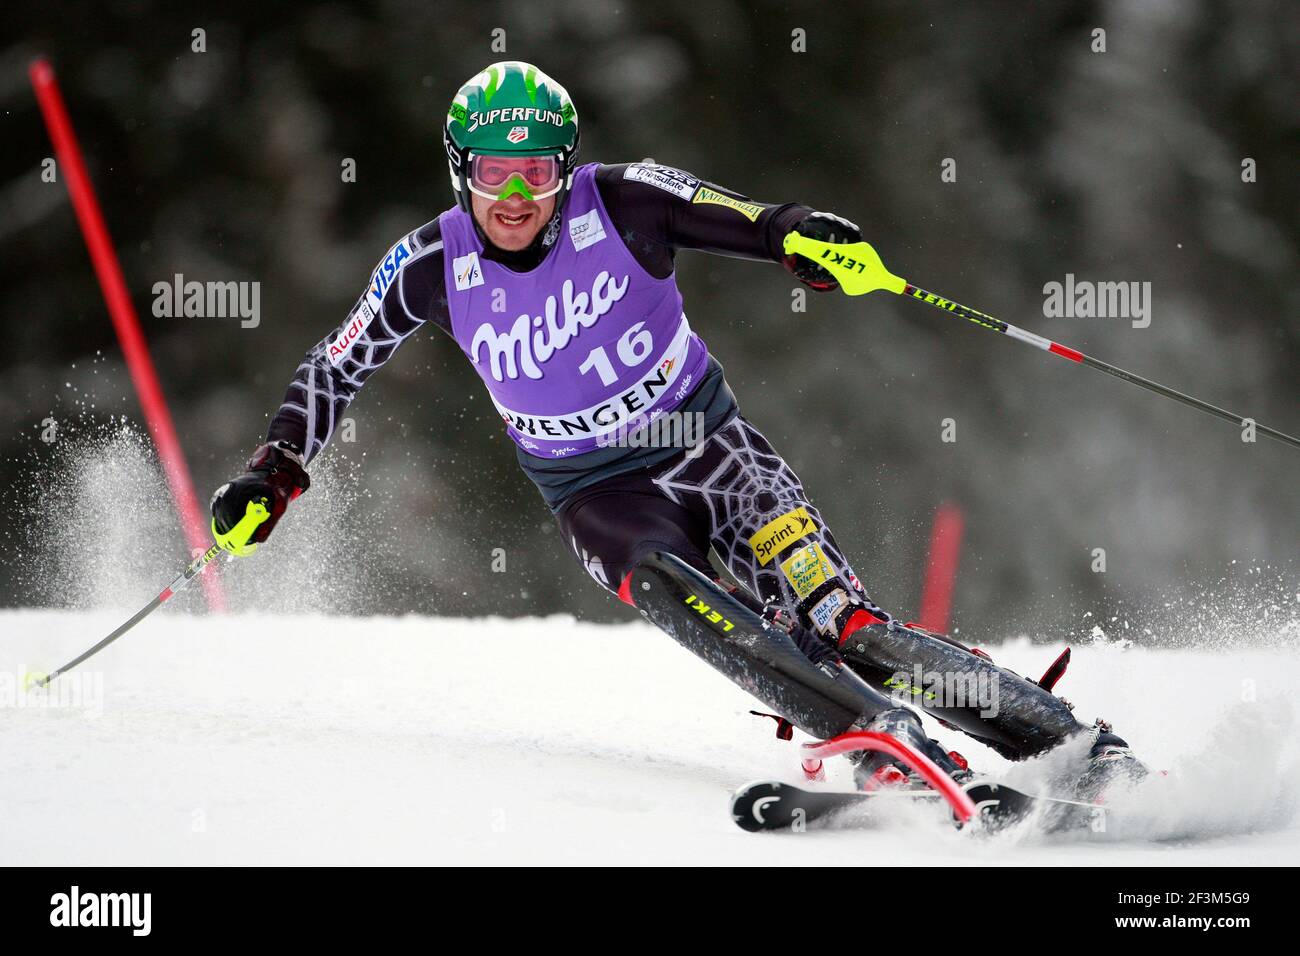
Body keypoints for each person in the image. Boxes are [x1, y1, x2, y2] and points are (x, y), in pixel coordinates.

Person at [211, 61, 1142, 796]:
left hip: (710, 449)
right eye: (494, 172)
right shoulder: (428, 265)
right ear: (463, 171)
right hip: (595, 491)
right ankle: (875, 735)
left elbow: (742, 217)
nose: (514, 196)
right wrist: (276, 468)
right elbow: (336, 364)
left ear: (562, 168)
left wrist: (803, 238)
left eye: (534, 171)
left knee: (843, 623)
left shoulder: (621, 201)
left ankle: (1078, 747)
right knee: (674, 591)